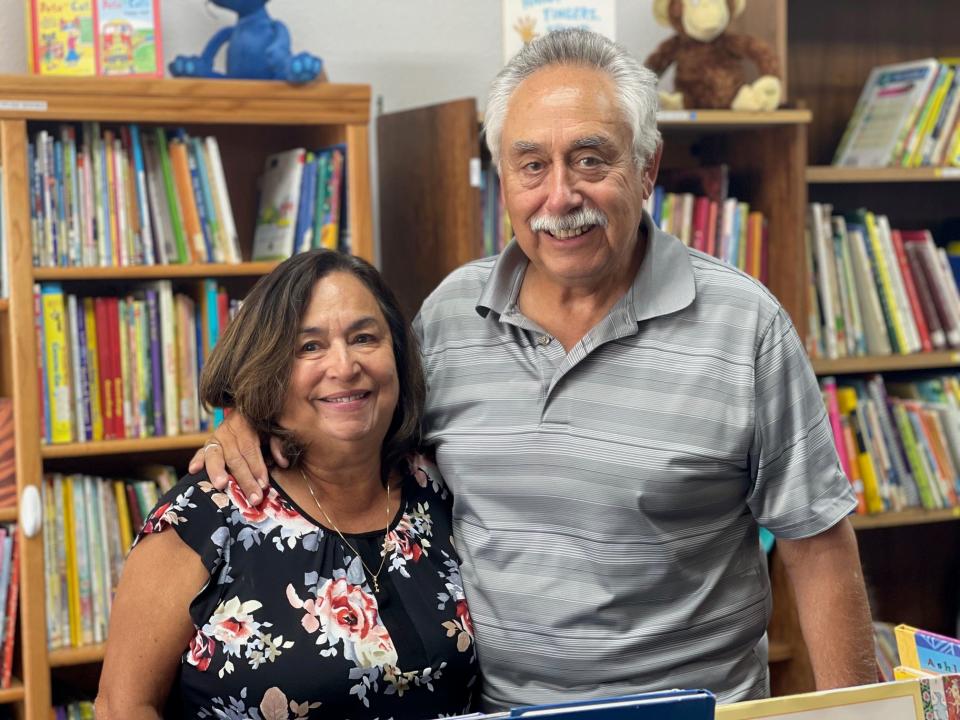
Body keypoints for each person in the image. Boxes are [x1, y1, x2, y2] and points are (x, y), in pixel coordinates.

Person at [191, 29, 876, 711]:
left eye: (589, 160)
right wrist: (249, 420)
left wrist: (859, 712)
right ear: (503, 178)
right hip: (500, 710)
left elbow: (816, 544)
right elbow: (354, 422)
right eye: (532, 166)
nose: (559, 196)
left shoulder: (745, 326)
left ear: (646, 169)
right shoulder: (452, 315)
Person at [96, 251, 477, 719]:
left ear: (397, 354)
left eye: (364, 338)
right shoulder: (203, 519)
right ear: (270, 369)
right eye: (309, 347)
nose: (344, 365)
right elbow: (122, 706)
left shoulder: (438, 489)